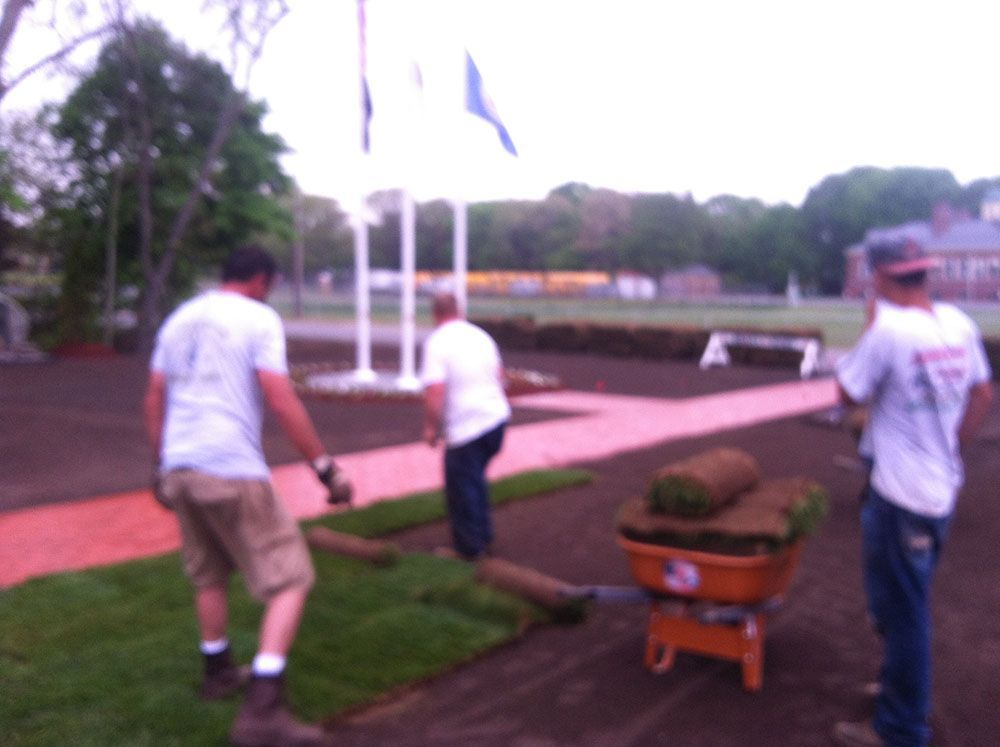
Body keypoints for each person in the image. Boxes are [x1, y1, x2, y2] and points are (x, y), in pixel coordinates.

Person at [143, 245, 350, 747]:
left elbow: (155, 396)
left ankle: (217, 672)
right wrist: (325, 469)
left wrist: (161, 466)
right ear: (261, 280)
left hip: (180, 465)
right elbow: (280, 398)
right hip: (231, 465)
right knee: (290, 577)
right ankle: (263, 708)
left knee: (209, 571)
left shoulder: (179, 318)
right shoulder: (259, 318)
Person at [833, 235, 994, 747]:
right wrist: (951, 447)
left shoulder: (890, 332)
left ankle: (900, 728)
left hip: (900, 495)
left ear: (878, 278)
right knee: (897, 603)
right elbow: (982, 394)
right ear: (924, 273)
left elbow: (848, 394)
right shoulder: (958, 323)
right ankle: (898, 687)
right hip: (938, 486)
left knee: (903, 614)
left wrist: (871, 323)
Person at [420, 291, 511, 560]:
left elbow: (435, 390)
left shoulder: (437, 343)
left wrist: (430, 429)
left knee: (461, 487)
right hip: (496, 420)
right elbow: (501, 376)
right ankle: (483, 535)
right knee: (475, 480)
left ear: (435, 314)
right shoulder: (480, 336)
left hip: (467, 427)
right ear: (458, 311)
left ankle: (470, 548)